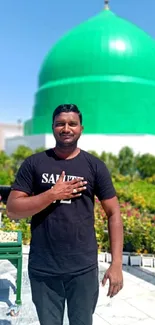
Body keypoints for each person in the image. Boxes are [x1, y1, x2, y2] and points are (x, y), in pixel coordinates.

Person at [7, 104, 123, 325]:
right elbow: (13, 209)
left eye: (72, 124)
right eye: (60, 123)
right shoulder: (34, 163)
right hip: (44, 268)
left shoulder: (94, 166)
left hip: (83, 268)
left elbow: (114, 213)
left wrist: (116, 263)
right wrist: (52, 194)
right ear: (52, 127)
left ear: (81, 128)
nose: (66, 128)